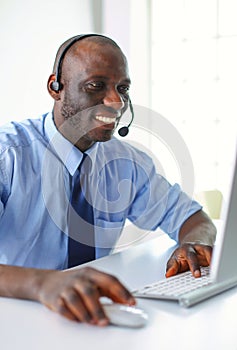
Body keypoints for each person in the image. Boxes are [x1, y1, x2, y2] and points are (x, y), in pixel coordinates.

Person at [0, 34, 216, 326]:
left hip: (97, 316)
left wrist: (192, 244)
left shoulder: (126, 162)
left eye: (122, 88)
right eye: (95, 86)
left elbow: (194, 218)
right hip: (18, 317)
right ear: (55, 87)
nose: (116, 102)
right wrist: (44, 283)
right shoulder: (8, 156)